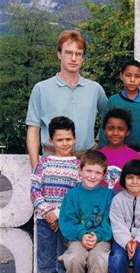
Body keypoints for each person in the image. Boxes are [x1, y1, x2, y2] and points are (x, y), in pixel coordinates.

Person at [26, 29, 107, 169]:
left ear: (83, 58)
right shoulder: (41, 89)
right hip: (51, 163)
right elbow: (33, 130)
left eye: (78, 54)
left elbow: (110, 118)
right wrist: (35, 169)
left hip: (86, 164)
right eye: (69, 52)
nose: (74, 58)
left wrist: (97, 141)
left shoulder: (95, 89)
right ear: (59, 54)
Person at [55, 150, 115, 273]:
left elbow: (112, 222)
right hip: (77, 239)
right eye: (88, 171)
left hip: (101, 239)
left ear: (104, 175)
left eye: (98, 172)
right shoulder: (72, 195)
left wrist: (97, 235)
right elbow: (66, 222)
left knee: (99, 258)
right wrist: (82, 234)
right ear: (80, 171)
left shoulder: (109, 196)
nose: (92, 176)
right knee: (73, 257)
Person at [30, 116, 81, 273]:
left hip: (66, 223)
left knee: (64, 261)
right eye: (60, 140)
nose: (64, 143)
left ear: (74, 139)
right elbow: (35, 191)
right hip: (45, 221)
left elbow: (77, 194)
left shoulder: (78, 166)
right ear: (51, 140)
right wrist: (48, 213)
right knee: (46, 262)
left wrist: (60, 216)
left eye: (68, 139)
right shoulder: (42, 165)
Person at [98, 59, 140, 153]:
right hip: (115, 151)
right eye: (128, 75)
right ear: (121, 76)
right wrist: (103, 152)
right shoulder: (113, 101)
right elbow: (103, 128)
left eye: (137, 76)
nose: (132, 80)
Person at [99, 108, 140, 191]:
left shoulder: (135, 157)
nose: (115, 133)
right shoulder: (97, 156)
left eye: (120, 129)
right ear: (104, 130)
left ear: (128, 132)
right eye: (111, 128)